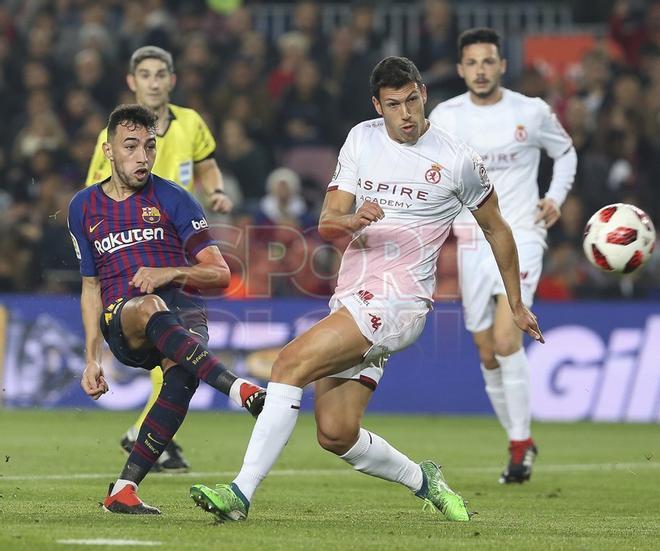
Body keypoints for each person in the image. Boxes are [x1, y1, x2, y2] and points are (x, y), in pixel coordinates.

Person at [189, 56, 544, 523]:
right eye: (394, 105)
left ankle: (240, 494)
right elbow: (327, 223)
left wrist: (516, 304)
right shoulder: (362, 137)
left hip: (400, 302)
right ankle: (426, 480)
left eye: (413, 100)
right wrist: (351, 220)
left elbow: (498, 229)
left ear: (424, 94)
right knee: (335, 432)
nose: (407, 114)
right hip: (352, 294)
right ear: (378, 105)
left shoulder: (458, 159)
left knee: (288, 364)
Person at [68, 104, 265, 514]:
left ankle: (123, 489)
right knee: (148, 305)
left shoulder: (175, 198)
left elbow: (219, 273)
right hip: (125, 317)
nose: (142, 156)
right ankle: (237, 387)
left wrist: (167, 271)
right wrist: (92, 358)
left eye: (150, 146)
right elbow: (91, 288)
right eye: (131, 146)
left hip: (183, 311)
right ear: (108, 151)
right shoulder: (83, 207)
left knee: (182, 381)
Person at [429, 28, 577, 484]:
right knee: (487, 351)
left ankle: (518, 447)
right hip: (471, 241)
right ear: (460, 69)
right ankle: (521, 438)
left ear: (502, 66)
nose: (480, 70)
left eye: (488, 62)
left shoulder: (530, 112)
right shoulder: (445, 117)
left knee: (508, 337)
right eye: (471, 63)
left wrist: (554, 195)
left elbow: (565, 152)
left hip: (523, 234)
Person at [86, 46, 233, 472]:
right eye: (144, 75)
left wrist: (217, 190)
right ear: (133, 81)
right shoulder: (116, 136)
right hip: (138, 246)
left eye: (160, 75)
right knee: (165, 334)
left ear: (171, 80)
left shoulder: (190, 123)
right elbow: (98, 186)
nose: (153, 81)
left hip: (179, 243)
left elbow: (206, 164)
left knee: (182, 338)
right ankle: (149, 434)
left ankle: (145, 434)